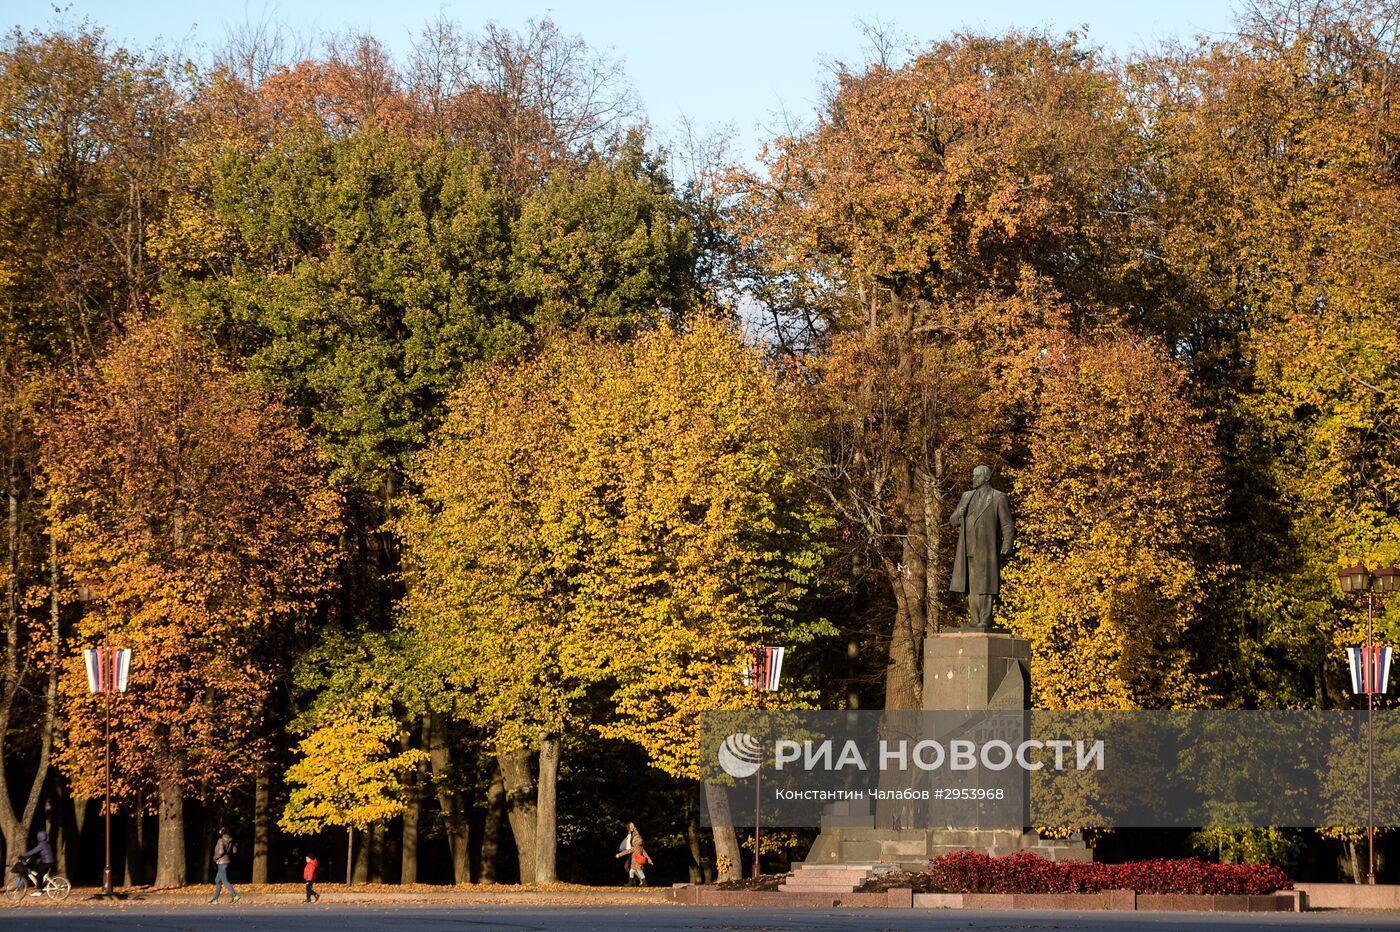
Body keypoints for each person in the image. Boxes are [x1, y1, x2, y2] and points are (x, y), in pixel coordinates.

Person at [948, 465, 1016, 629]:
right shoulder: (967, 496)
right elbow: (953, 521)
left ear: (986, 477)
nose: (973, 479)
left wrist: (1007, 543)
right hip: (967, 548)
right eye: (973, 475)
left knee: (985, 585)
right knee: (971, 586)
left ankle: (985, 619)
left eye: (976, 476)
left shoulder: (998, 497)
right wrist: (959, 513)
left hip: (986, 549)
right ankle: (974, 618)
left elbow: (1007, 524)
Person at [19, 831, 54, 896]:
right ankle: (43, 885)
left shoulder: (41, 845)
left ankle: (39, 891)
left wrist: (22, 855)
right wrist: (29, 858)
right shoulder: (46, 843)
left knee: (39, 875)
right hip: (50, 861)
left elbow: (33, 851)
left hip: (47, 862)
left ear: (39, 837)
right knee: (39, 870)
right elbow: (38, 853)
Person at [209, 826, 239, 904]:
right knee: (217, 880)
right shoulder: (230, 840)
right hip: (227, 861)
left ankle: (235, 895)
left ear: (221, 832)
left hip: (221, 862)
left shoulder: (221, 840)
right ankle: (215, 899)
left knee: (224, 880)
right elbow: (234, 851)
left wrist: (215, 858)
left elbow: (221, 852)